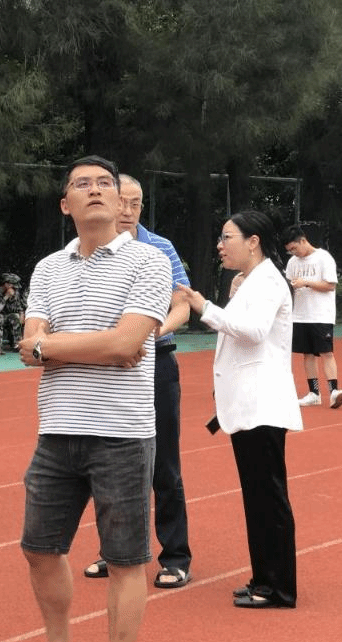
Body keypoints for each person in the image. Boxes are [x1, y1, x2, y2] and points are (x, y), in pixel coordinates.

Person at [6, 156, 170, 642]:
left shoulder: (149, 262)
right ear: (65, 204)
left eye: (105, 184)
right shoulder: (48, 268)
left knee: (125, 559)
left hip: (122, 433)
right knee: (38, 548)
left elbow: (126, 344)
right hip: (57, 428)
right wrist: (88, 346)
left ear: (122, 202)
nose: (95, 190)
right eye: (82, 184)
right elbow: (29, 347)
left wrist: (53, 346)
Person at [178, 211, 302, 609]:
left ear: (253, 241)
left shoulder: (268, 280)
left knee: (268, 498)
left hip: (261, 405)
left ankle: (278, 587)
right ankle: (264, 578)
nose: (220, 245)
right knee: (258, 497)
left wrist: (205, 307)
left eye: (227, 237)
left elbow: (254, 332)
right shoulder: (252, 280)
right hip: (249, 405)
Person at [83, 174, 193, 589]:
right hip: (107, 367)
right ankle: (115, 552)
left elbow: (183, 304)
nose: (128, 211)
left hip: (155, 363)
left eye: (136, 203)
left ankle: (176, 556)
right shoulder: (90, 250)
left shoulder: (160, 247)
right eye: (122, 202)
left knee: (164, 464)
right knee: (109, 464)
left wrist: (146, 332)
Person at [282, 225, 340, 408]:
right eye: (289, 250)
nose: (293, 253)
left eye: (294, 248)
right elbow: (289, 287)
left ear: (303, 241)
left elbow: (330, 285)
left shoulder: (324, 258)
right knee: (307, 354)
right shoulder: (292, 263)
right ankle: (314, 394)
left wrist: (306, 282)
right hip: (299, 316)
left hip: (321, 315)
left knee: (326, 353)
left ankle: (334, 392)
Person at [0, 272, 26, 354]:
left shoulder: (14, 292)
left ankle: (17, 344)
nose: (15, 288)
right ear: (6, 284)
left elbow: (18, 307)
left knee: (15, 316)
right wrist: (6, 296)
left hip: (5, 316)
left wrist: (21, 314)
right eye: (13, 286)